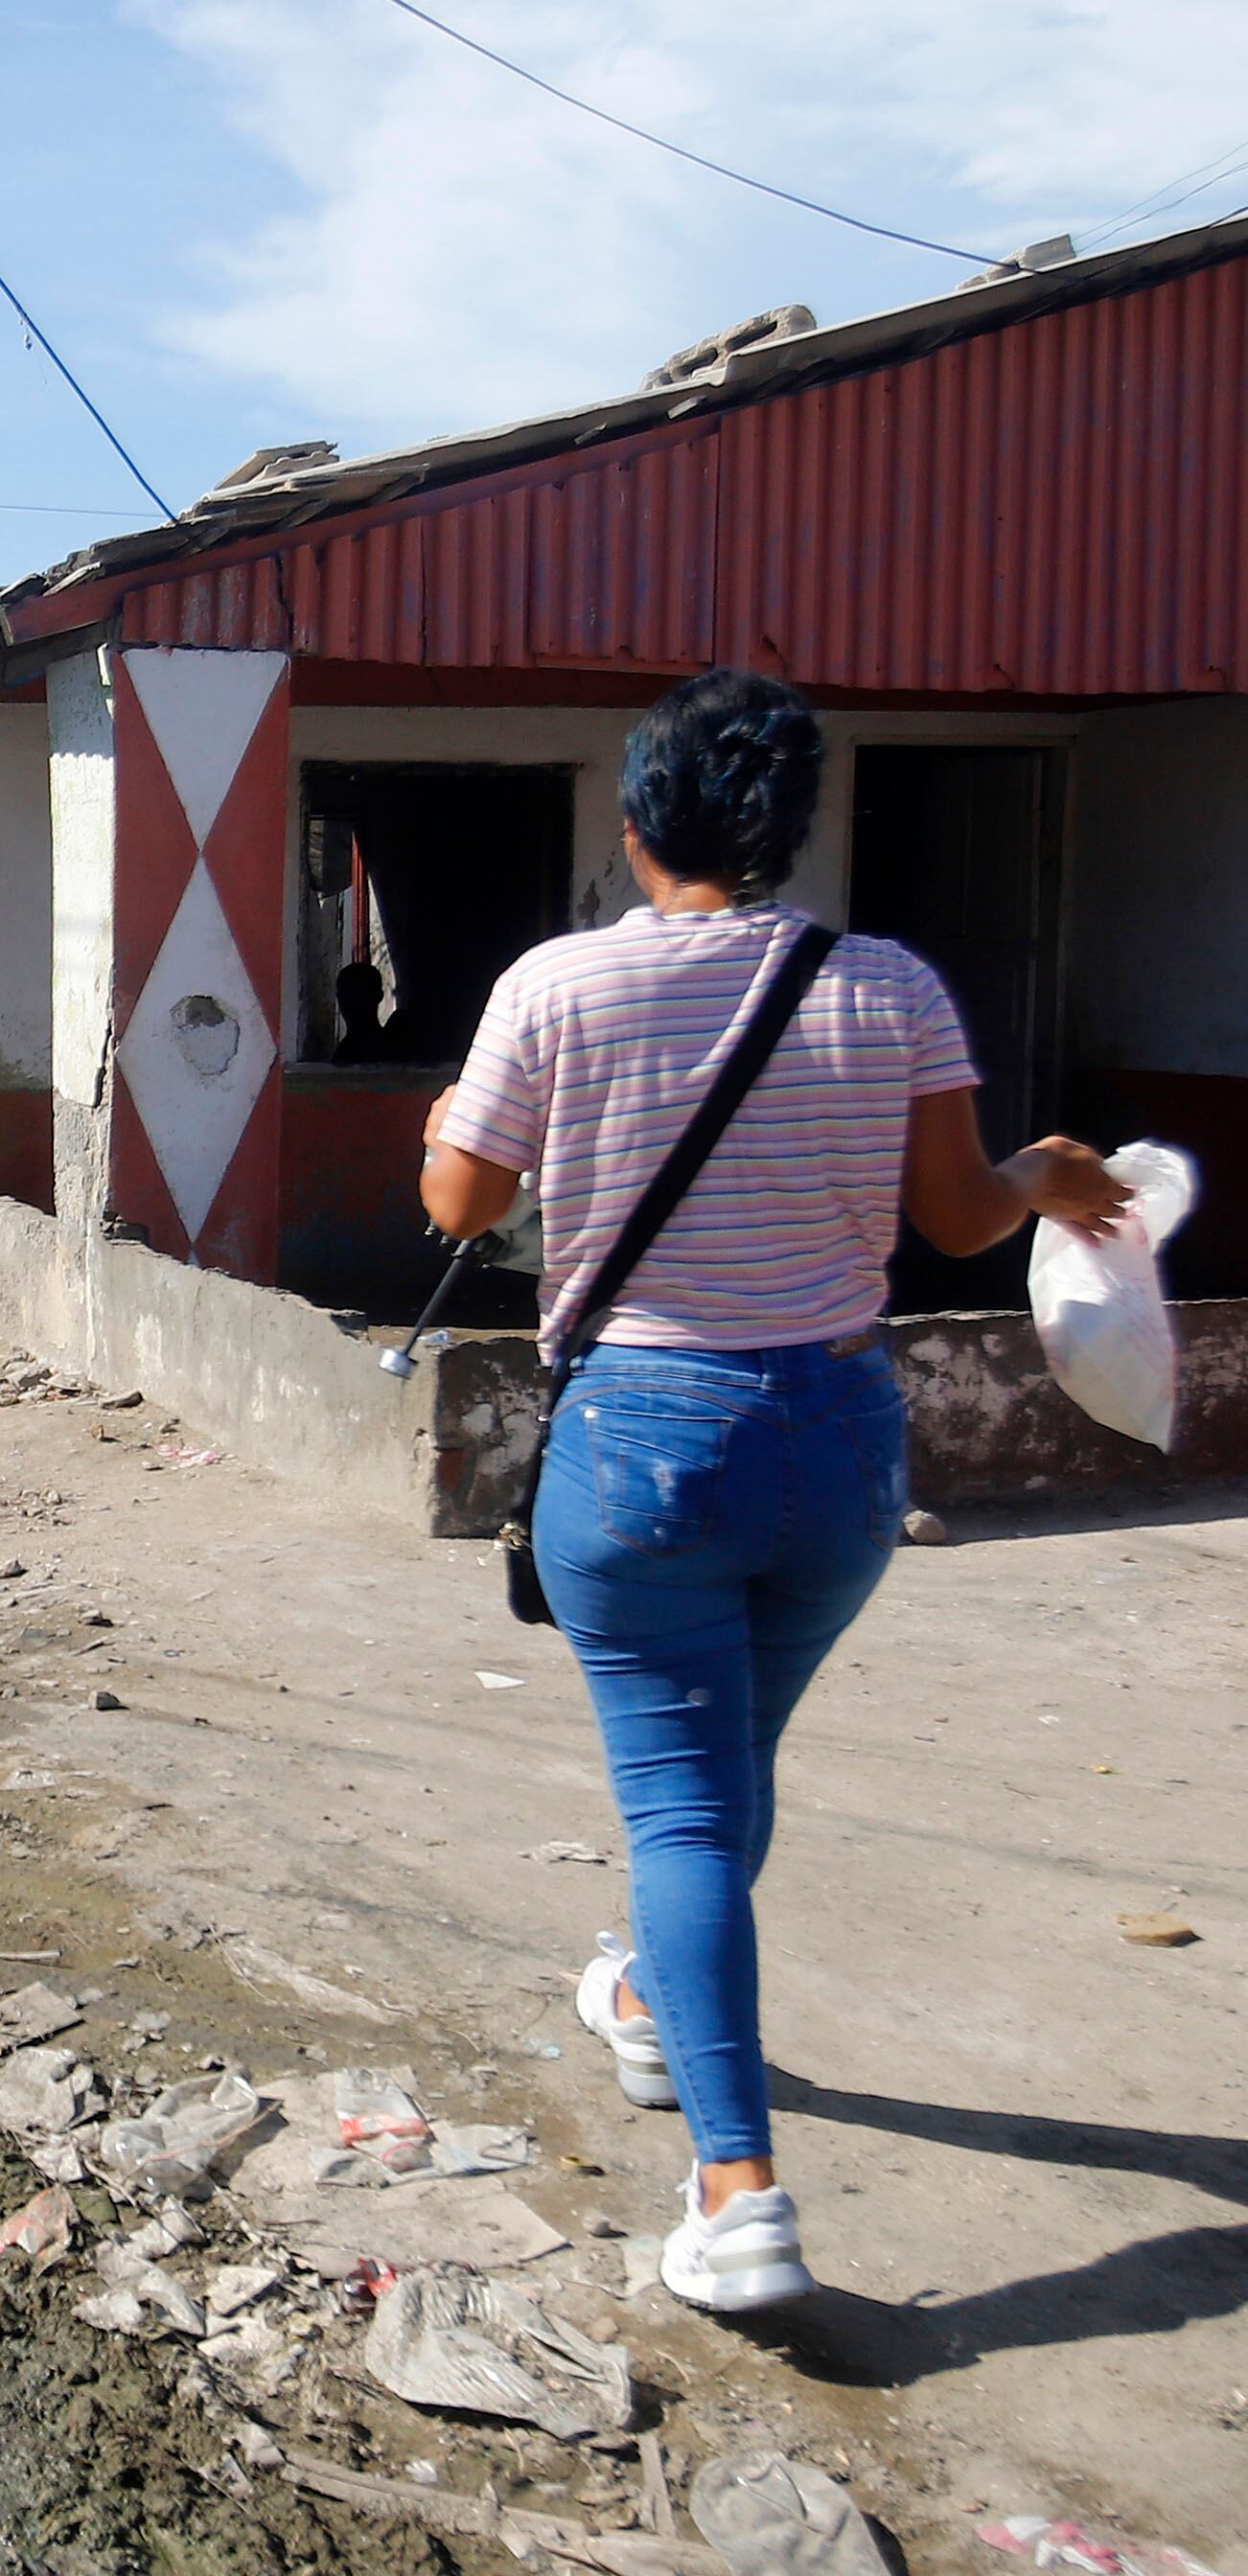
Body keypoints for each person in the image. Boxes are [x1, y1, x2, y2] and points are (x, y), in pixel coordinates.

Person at [417, 667, 1128, 2321]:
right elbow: (961, 1220)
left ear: (635, 819)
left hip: (645, 1442)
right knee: (728, 1770)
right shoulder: (892, 988)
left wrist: (459, 1111)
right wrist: (1046, 1173)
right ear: (793, 827)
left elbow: (463, 1198)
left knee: (681, 1804)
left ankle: (737, 2188)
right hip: (840, 1443)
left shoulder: (557, 982)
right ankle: (661, 2006)